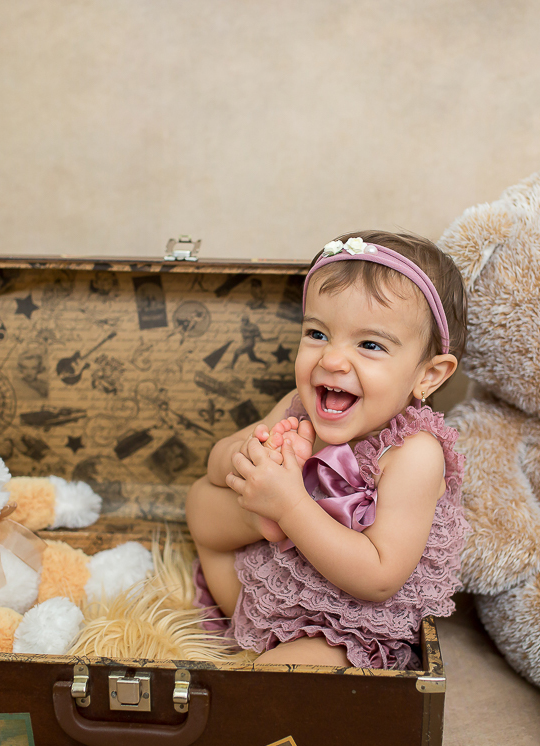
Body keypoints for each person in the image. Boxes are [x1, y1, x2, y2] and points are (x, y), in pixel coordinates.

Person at [185, 231, 470, 668]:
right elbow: (215, 463)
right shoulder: (297, 407)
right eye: (318, 333)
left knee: (283, 676)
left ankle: (271, 657)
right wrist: (252, 456)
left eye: (369, 345)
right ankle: (251, 605)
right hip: (274, 586)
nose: (332, 360)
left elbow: (379, 577)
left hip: (346, 623)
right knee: (201, 499)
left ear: (428, 376)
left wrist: (290, 508)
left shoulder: (414, 452)